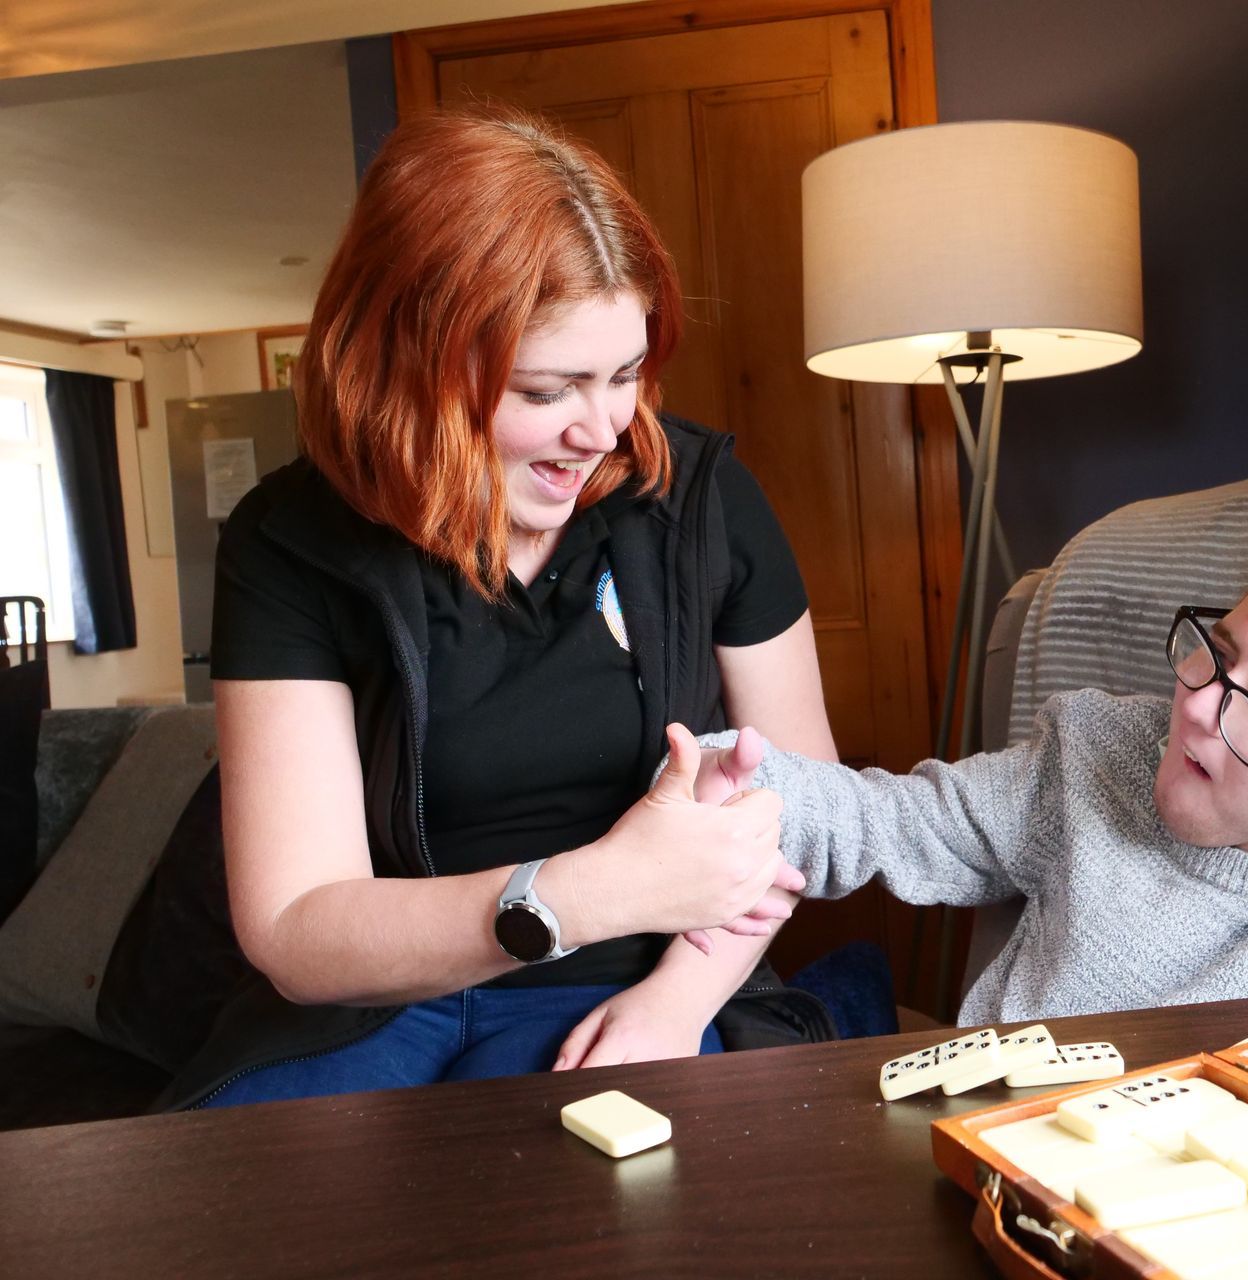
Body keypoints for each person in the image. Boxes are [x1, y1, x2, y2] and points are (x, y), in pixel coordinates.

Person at [158, 107, 838, 1111]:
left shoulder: (701, 500)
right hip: (381, 1000)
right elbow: (299, 928)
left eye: (625, 375)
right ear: (410, 366)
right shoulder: (289, 539)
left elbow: (812, 811)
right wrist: (583, 892)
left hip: (644, 978)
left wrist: (675, 1001)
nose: (602, 429)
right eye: (547, 388)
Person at [584, 521, 1248, 1041]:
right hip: (984, 1152)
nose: (1198, 706)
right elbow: (889, 819)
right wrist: (727, 771)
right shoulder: (1097, 750)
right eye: (1216, 654)